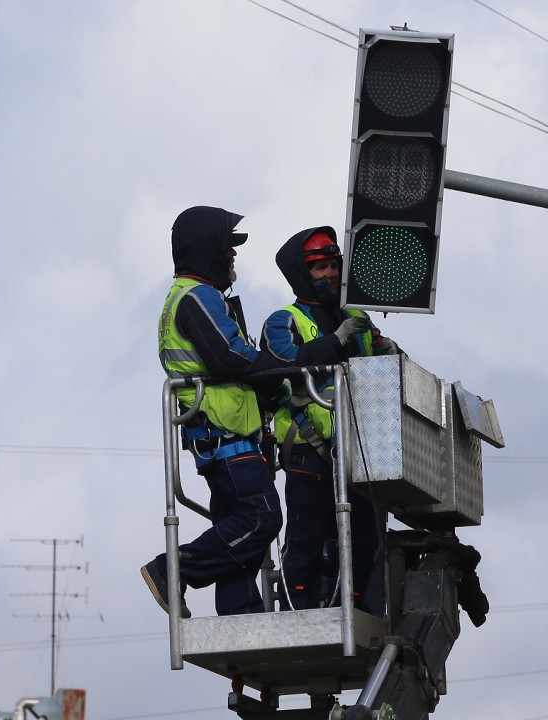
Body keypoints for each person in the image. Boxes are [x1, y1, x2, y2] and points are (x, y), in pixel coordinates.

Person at [141, 205, 290, 617]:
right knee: (261, 519)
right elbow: (229, 358)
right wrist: (286, 364)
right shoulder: (196, 296)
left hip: (225, 437)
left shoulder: (195, 296)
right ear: (209, 249)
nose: (234, 256)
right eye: (229, 247)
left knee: (235, 527)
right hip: (226, 438)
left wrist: (270, 388)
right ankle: (172, 569)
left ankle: (242, 615)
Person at [261, 226, 398, 614]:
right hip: (308, 449)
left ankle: (353, 609)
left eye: (333, 265)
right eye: (320, 267)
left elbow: (384, 370)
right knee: (307, 536)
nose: (330, 274)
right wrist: (336, 339)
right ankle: (297, 614)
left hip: (359, 449)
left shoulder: (356, 316)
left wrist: (389, 349)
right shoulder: (282, 321)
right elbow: (284, 364)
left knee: (365, 538)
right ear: (301, 274)